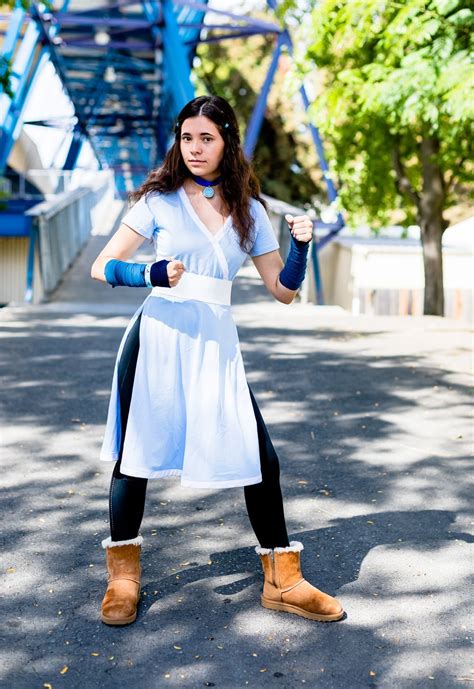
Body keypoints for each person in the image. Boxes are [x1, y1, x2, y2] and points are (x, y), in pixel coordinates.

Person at [91, 94, 344, 626]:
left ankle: (283, 580)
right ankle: (122, 578)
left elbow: (283, 289)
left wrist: (300, 247)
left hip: (215, 341)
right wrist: (148, 274)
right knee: (133, 456)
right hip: (157, 333)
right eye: (187, 138)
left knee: (260, 456)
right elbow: (103, 265)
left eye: (207, 137)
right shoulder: (157, 201)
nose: (195, 147)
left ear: (227, 142)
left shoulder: (252, 209)